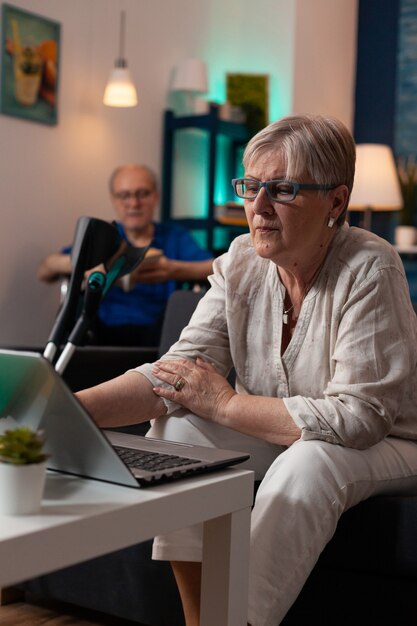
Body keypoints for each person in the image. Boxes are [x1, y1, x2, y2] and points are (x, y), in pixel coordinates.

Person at [76, 114, 417, 626]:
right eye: (250, 186)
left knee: (312, 461)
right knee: (180, 426)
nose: (256, 208)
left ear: (336, 202)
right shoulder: (241, 261)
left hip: (392, 440)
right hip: (292, 432)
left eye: (280, 189)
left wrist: (228, 405)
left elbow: (359, 418)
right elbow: (178, 372)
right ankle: (202, 620)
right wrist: (68, 412)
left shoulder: (371, 266)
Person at [37, 164, 214, 346]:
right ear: (114, 199)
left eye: (142, 194)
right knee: (76, 308)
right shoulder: (104, 236)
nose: (133, 203)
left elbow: (216, 267)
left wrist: (174, 270)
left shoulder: (174, 237)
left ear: (156, 197)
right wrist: (88, 265)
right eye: (124, 195)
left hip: (159, 331)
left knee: (184, 309)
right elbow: (45, 268)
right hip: (100, 329)